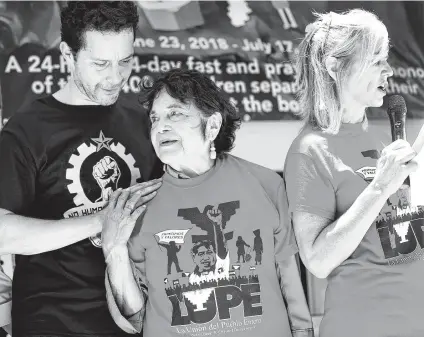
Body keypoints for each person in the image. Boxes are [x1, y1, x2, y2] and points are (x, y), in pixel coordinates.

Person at [101, 68, 314, 337]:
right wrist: (115, 252)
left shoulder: (266, 184)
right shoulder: (138, 206)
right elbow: (135, 319)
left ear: (212, 125)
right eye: (154, 118)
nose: (160, 126)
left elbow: (291, 283)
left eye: (175, 113)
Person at [0, 2, 162, 336]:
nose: (115, 77)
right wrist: (102, 220)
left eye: (125, 61)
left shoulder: (146, 122)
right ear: (67, 55)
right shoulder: (26, 131)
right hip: (53, 321)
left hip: (135, 318)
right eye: (100, 64)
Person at [284, 9, 422, 337]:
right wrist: (379, 188)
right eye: (376, 60)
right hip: (365, 325)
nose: (388, 70)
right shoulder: (310, 149)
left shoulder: (377, 140)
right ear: (335, 66)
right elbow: (317, 260)